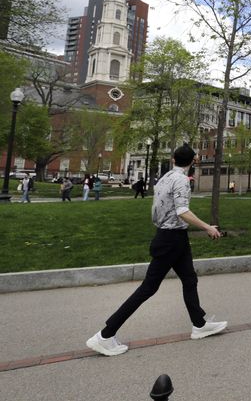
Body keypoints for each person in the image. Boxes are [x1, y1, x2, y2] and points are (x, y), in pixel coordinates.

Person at [86, 144, 227, 357]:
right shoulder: (181, 181)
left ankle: (199, 324)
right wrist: (207, 227)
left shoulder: (164, 178)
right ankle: (105, 335)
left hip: (171, 236)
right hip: (171, 239)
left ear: (172, 159)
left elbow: (156, 210)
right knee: (148, 288)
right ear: (193, 161)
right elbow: (183, 211)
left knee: (189, 280)